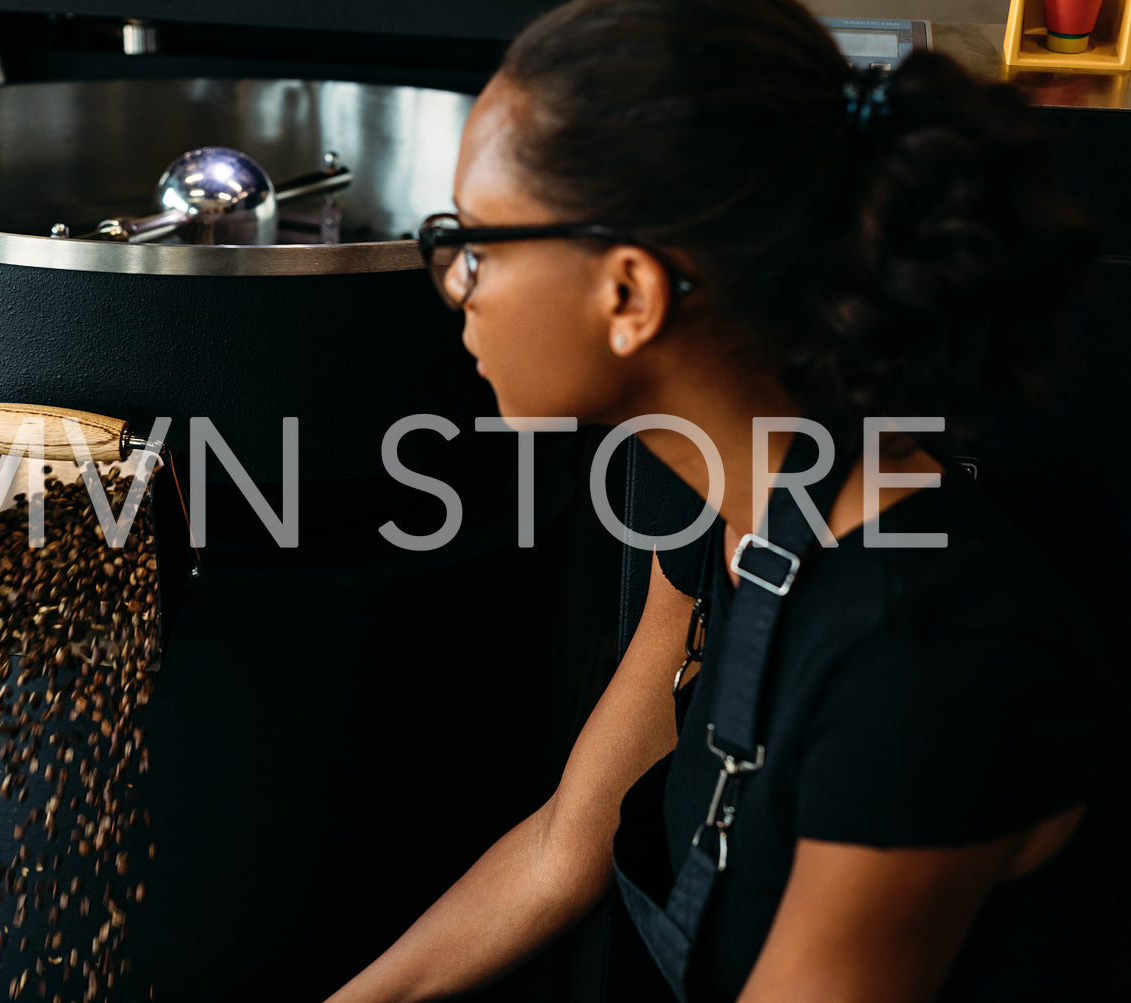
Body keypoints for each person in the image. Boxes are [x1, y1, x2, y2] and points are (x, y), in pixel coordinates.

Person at [324, 1, 1114, 1000]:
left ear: (629, 296)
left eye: (478, 244)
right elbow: (567, 845)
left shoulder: (922, 656)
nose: (455, 287)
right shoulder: (708, 500)